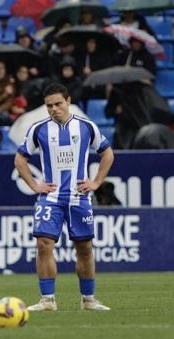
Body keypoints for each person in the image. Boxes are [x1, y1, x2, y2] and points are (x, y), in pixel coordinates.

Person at [14, 83, 114, 312]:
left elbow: (107, 153)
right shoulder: (38, 129)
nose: (54, 109)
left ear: (68, 101)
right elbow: (20, 159)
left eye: (58, 104)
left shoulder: (86, 127)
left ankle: (88, 299)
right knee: (43, 244)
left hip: (79, 197)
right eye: (49, 106)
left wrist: (96, 182)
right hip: (51, 197)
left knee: (84, 247)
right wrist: (34, 185)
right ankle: (47, 300)